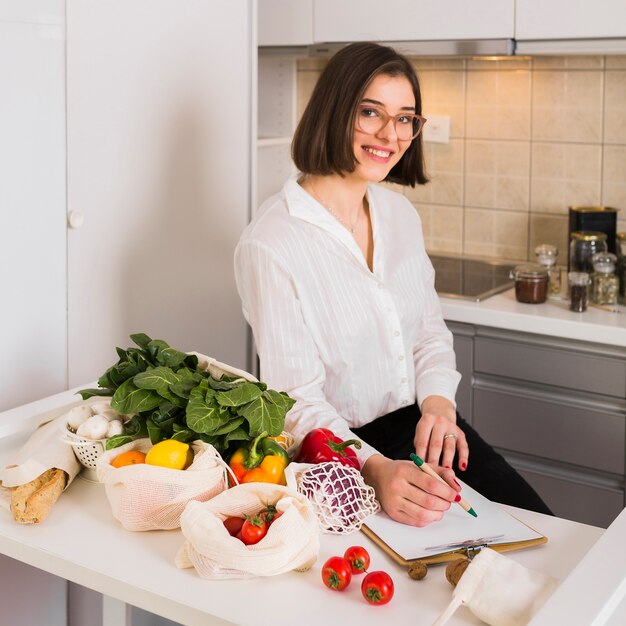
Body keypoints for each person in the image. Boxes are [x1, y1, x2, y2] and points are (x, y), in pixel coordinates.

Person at [234, 41, 551, 527]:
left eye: (406, 118)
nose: (390, 133)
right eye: (370, 112)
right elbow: (295, 401)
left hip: (421, 427)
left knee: (535, 528)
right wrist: (373, 469)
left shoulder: (398, 214)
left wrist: (440, 407)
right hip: (338, 454)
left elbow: (426, 331)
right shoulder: (272, 243)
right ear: (334, 111)